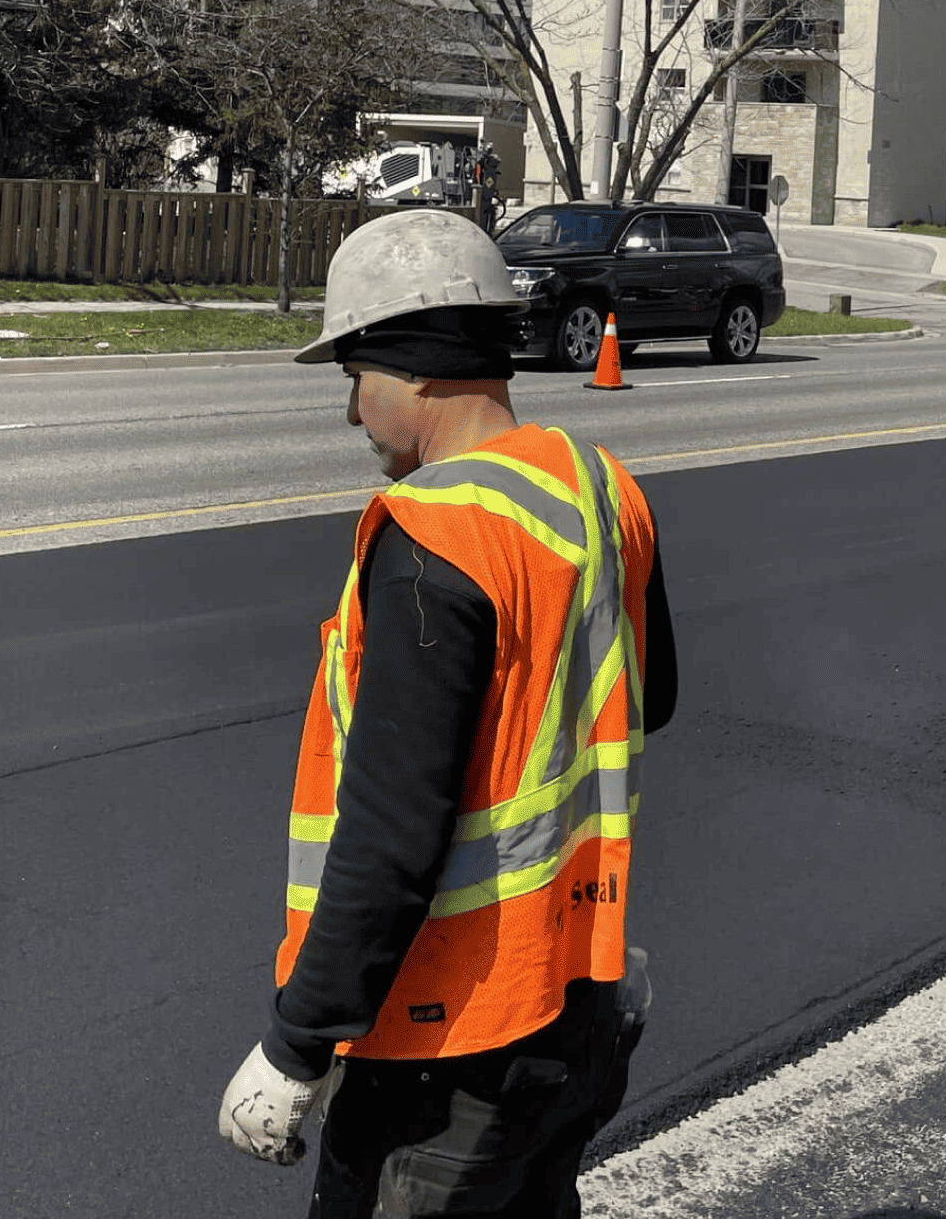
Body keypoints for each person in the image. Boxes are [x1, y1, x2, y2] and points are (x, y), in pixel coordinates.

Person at [218, 207, 678, 1217]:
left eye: (356, 378)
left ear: (415, 365)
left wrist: (300, 1044)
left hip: (448, 1054)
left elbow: (391, 834)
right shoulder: (599, 487)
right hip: (579, 1009)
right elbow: (652, 698)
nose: (352, 414)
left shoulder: (433, 536)